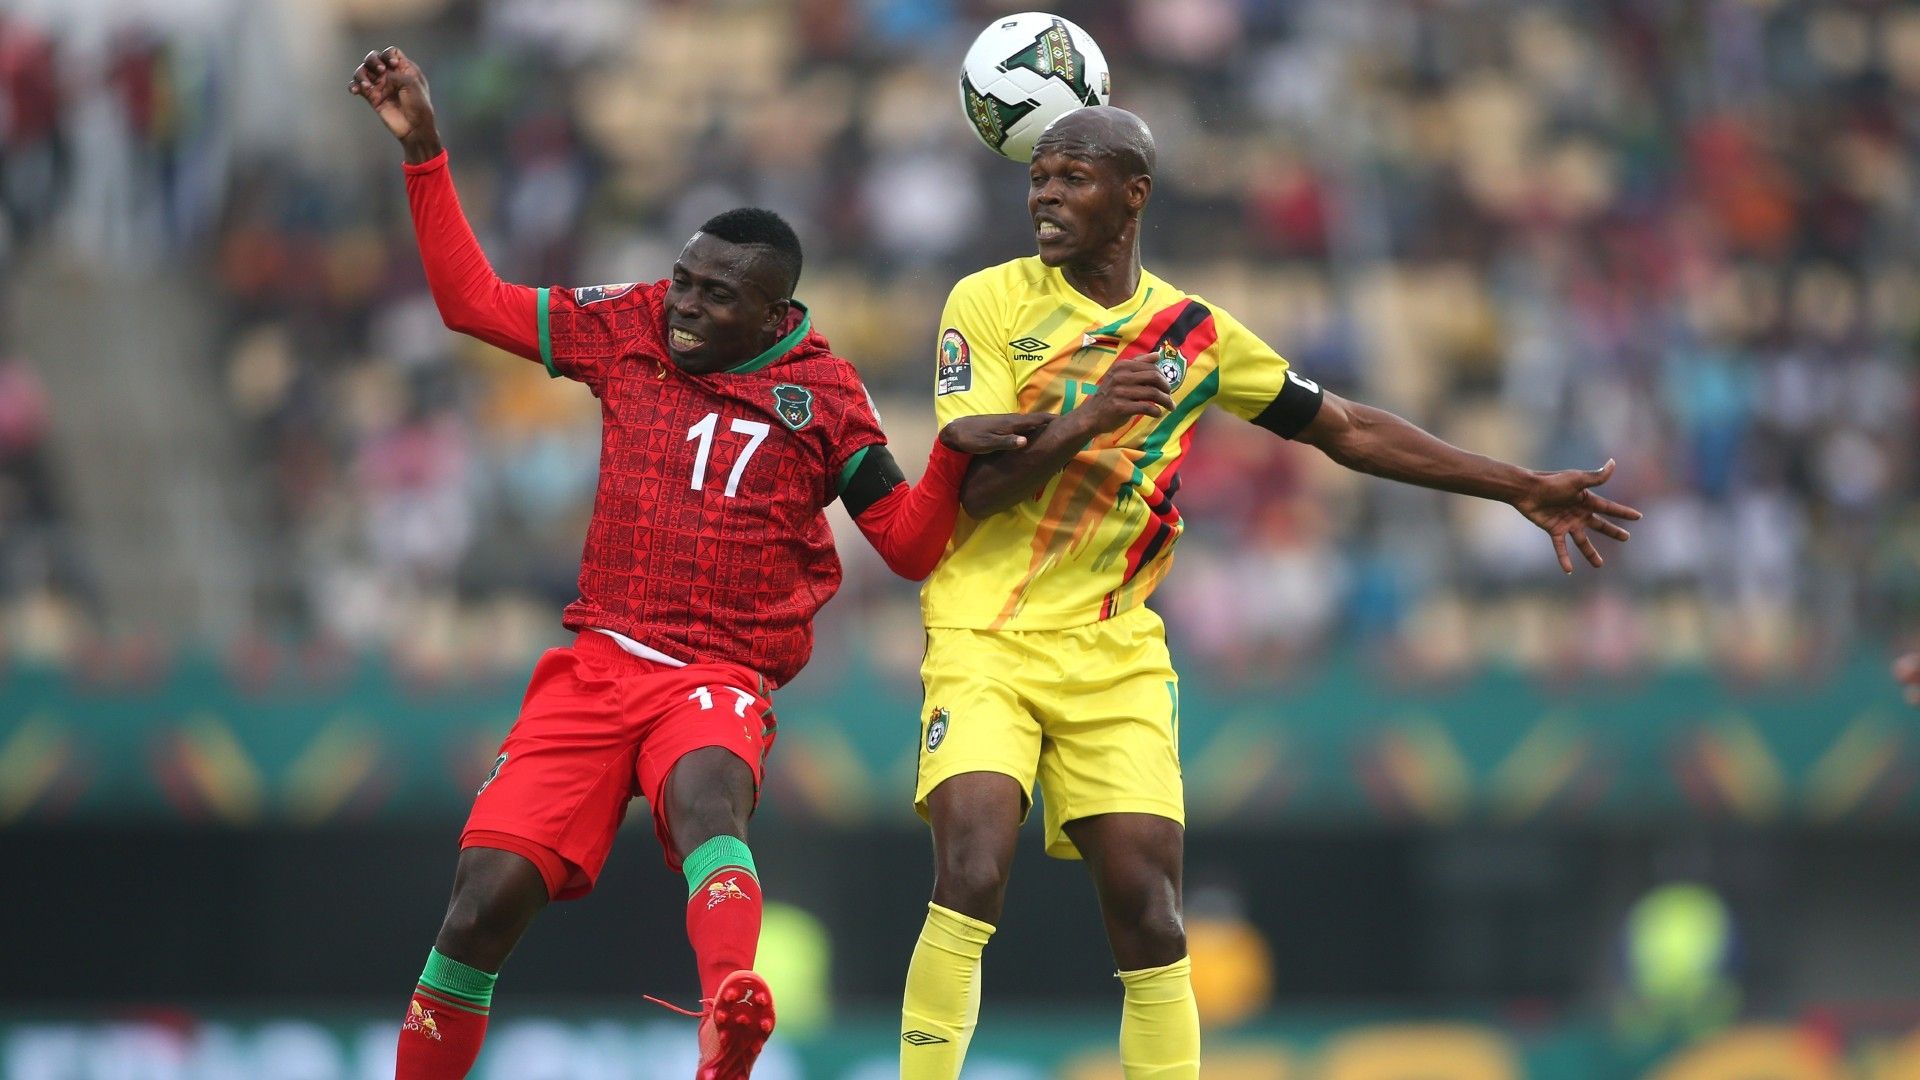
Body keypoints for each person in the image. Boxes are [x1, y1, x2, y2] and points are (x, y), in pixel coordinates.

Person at [347, 47, 1107, 1080]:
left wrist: (944, 465)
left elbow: (911, 544)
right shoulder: (627, 325)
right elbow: (471, 301)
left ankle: (727, 1023)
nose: (684, 306)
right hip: (597, 663)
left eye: (713, 296)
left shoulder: (824, 394)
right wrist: (427, 154)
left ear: (772, 312)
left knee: (710, 796)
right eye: (684, 281)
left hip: (715, 673)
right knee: (481, 904)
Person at [899, 106, 1644, 1080]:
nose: (1044, 194)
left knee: (1151, 912)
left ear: (1134, 195)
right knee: (974, 870)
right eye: (1039, 177)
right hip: (984, 635)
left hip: (1114, 647)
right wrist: (1090, 417)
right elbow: (973, 490)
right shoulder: (986, 304)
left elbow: (1347, 429)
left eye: (1072, 178)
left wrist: (1515, 486)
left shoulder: (1193, 335)